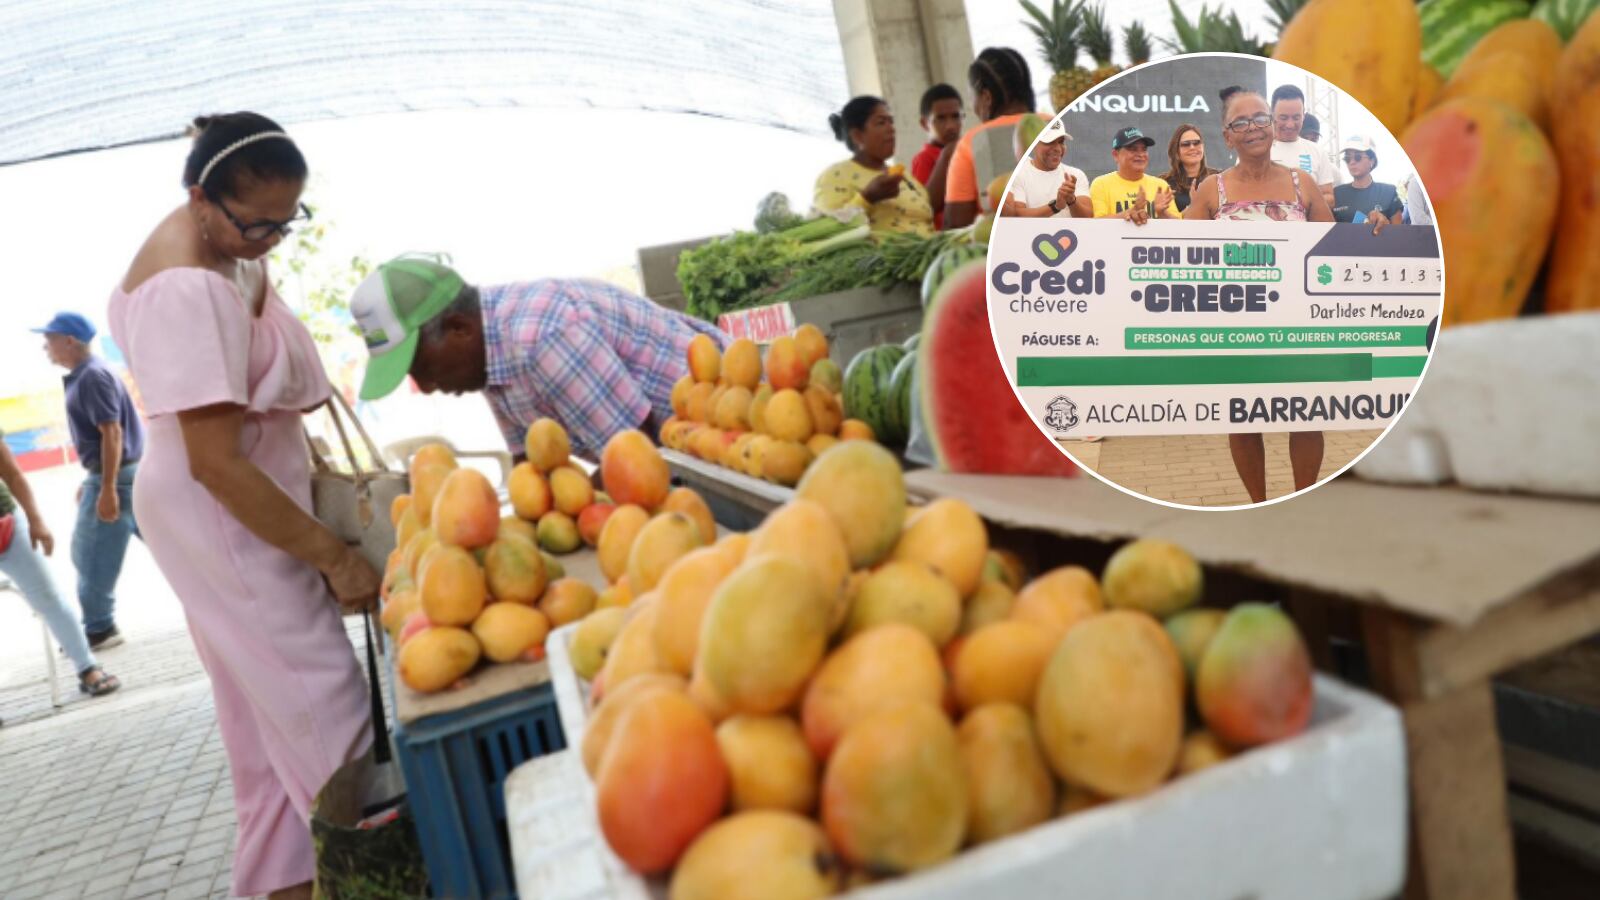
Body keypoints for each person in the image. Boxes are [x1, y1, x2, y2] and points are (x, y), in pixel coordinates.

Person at [106, 112, 377, 900]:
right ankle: (373, 878)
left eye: (285, 224)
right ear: (200, 199)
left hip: (240, 505)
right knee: (326, 705)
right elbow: (217, 464)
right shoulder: (185, 287)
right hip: (223, 517)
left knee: (266, 735)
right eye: (254, 223)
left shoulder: (228, 247)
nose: (268, 239)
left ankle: (289, 884)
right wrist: (333, 555)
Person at [352, 257, 731, 461]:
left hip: (739, 432)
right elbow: (534, 470)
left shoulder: (541, 337)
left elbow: (638, 458)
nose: (429, 386)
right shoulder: (485, 358)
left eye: (422, 368)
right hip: (690, 456)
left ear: (458, 328)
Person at [1186, 87, 1338, 504]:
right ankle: (1260, 504)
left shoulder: (1301, 182)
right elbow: (1176, 250)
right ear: (1227, 136)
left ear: (1273, 127)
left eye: (1261, 119)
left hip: (1299, 323)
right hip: (1236, 326)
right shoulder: (1210, 191)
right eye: (1241, 122)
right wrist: (1134, 224)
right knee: (1243, 418)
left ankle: (1301, 502)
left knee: (1306, 414)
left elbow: (1337, 247)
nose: (1253, 128)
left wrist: (1375, 232)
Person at [33, 311, 144, 650]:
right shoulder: (90, 374)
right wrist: (93, 477)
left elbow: (112, 432)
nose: (44, 346)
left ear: (69, 341)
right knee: (177, 548)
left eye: (50, 339)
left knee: (89, 556)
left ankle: (99, 629)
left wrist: (106, 487)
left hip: (118, 479)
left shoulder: (92, 377)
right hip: (121, 475)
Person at [0, 430, 122, 719]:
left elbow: (13, 475)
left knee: (49, 596)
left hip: (6, 525)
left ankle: (87, 667)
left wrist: (36, 521)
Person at [942, 47, 1037, 229]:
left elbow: (955, 224)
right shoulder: (1059, 123)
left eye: (972, 98)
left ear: (986, 97)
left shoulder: (972, 142)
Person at [814, 96, 934, 236]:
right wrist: (867, 198)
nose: (891, 129)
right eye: (881, 122)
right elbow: (828, 232)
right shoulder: (835, 176)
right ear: (858, 136)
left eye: (891, 122)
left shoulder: (905, 176)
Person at [1001, 117, 1091, 218]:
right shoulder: (1019, 174)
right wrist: (1055, 206)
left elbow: (1088, 219)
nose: (1057, 148)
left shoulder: (1076, 175)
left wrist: (1072, 200)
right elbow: (1017, 216)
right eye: (1050, 142)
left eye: (1061, 142)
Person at [1268, 84, 1336, 209]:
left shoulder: (1317, 152)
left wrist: (1303, 201)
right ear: (1272, 115)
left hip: (1308, 227)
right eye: (1283, 117)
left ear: (1303, 116)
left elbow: (1330, 198)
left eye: (1296, 117)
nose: (1290, 124)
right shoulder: (1256, 151)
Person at [1091, 126, 1178, 222]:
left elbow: (1180, 228)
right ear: (1116, 155)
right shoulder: (1101, 184)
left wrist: (1162, 213)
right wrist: (1130, 212)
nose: (1141, 154)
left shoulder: (1160, 186)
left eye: (1144, 149)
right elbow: (1097, 224)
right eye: (1133, 149)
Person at [912, 83, 964, 229]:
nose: (950, 126)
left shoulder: (968, 152)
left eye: (956, 117)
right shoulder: (924, 159)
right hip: (947, 239)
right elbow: (924, 207)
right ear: (924, 123)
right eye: (940, 118)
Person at [1332, 135, 1404, 225]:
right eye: (1347, 158)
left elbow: (1399, 232)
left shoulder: (1388, 192)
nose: (1352, 162)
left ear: (1372, 161)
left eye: (1357, 157)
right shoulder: (1337, 193)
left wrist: (1386, 224)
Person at [1158, 123, 1219, 213]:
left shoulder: (1218, 178)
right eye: (1186, 144)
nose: (1192, 147)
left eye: (1197, 143)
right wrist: (1194, 207)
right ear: (1176, 151)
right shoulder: (1164, 183)